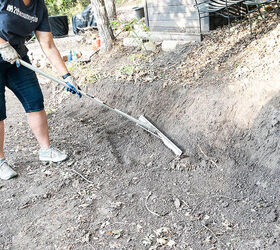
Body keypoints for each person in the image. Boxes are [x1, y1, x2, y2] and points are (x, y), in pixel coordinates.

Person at [0, 0, 81, 180]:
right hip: (3, 50)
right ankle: (0, 161)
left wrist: (67, 76)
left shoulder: (39, 7)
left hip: (17, 58)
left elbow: (48, 44)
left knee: (35, 101)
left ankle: (46, 150)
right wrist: (2, 44)